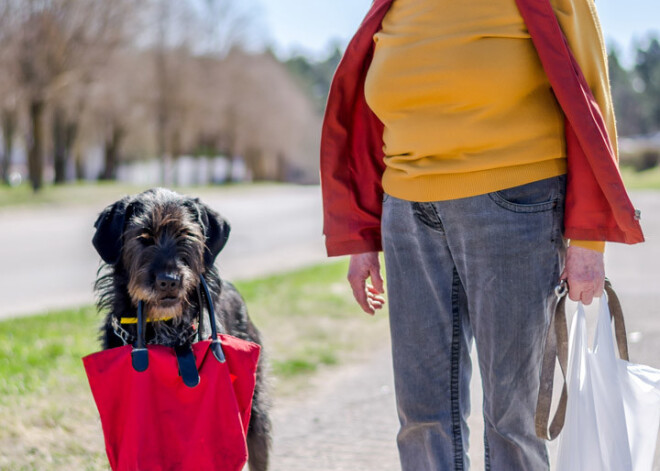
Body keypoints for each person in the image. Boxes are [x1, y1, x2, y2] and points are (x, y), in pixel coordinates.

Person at [320, 0, 644, 469]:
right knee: (419, 415)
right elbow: (366, 113)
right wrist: (363, 236)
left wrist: (589, 242)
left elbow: (591, 89)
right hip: (406, 205)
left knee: (513, 419)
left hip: (515, 199)